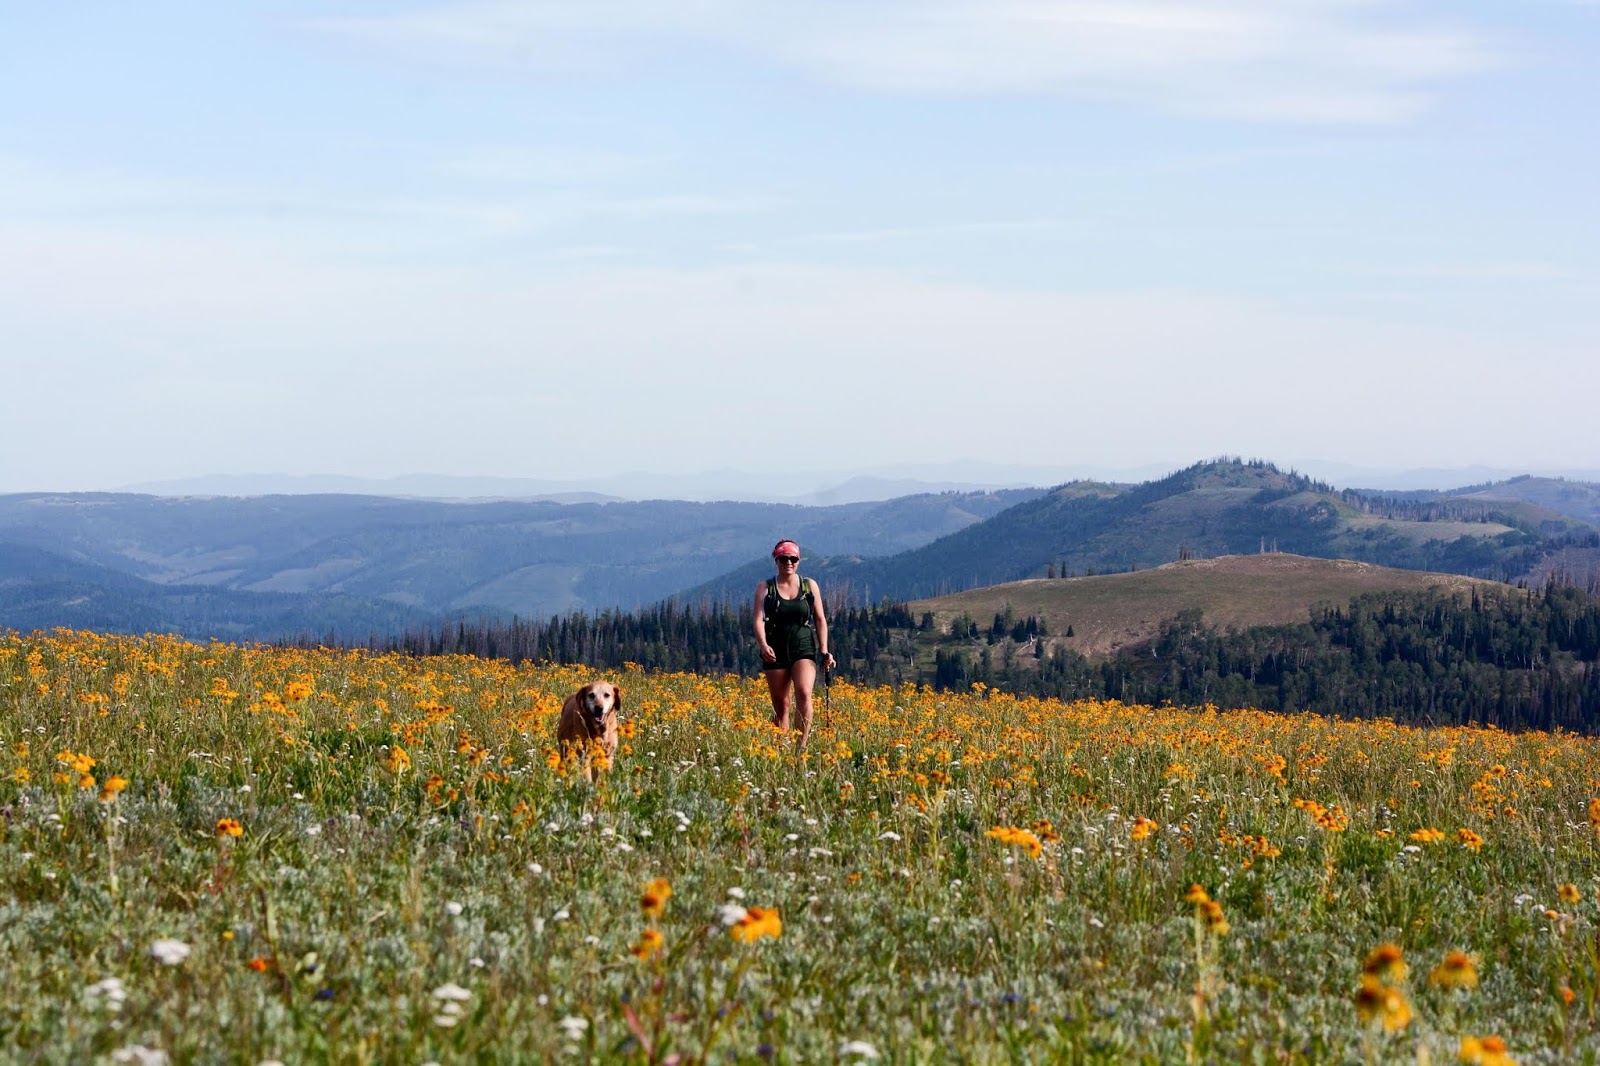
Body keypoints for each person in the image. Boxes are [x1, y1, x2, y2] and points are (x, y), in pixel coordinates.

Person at [753, 539, 835, 749]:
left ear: (798, 560)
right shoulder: (765, 587)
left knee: (804, 692)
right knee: (781, 706)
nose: (788, 562)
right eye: (783, 558)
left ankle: (801, 746)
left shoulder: (809, 586)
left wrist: (824, 650)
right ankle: (782, 747)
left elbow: (820, 619)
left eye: (793, 558)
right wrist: (763, 645)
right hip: (775, 649)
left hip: (803, 647)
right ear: (776, 560)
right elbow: (758, 619)